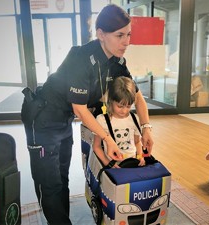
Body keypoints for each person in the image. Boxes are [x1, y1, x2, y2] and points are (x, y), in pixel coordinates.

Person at [21, 4, 153, 225]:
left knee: (62, 177)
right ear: (101, 34)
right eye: (120, 35)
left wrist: (146, 127)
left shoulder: (117, 62)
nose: (126, 41)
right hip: (43, 119)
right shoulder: (81, 58)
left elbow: (137, 97)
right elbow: (80, 109)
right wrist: (108, 139)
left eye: (129, 34)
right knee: (49, 183)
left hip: (63, 120)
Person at [93, 76, 145, 168]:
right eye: (120, 106)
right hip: (113, 166)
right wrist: (108, 164)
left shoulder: (134, 118)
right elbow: (97, 147)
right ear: (111, 100)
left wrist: (140, 157)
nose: (124, 111)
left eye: (128, 106)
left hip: (132, 163)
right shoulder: (102, 120)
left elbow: (137, 142)